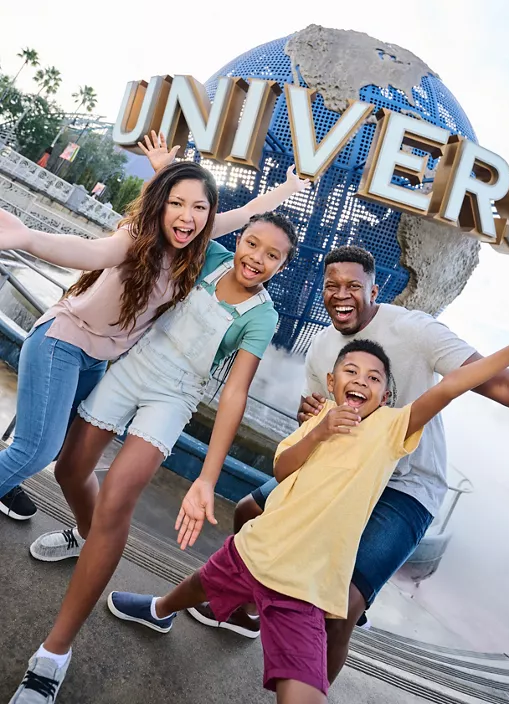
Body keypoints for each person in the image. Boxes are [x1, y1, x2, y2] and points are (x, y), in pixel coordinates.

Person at [102, 319, 509, 704]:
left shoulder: (391, 430)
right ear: (332, 382)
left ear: (386, 396)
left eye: (374, 379)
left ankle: (184, 612)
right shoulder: (316, 424)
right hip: (257, 551)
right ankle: (160, 608)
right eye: (352, 372)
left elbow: (451, 386)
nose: (361, 382)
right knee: (207, 578)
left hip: (308, 586)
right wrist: (317, 431)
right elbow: (284, 467)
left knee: (303, 688)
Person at [192, 245, 509, 679]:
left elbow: (498, 384)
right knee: (248, 511)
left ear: (376, 289)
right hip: (342, 470)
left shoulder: (415, 330)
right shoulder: (322, 347)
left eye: (354, 286)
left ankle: (318, 675)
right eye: (332, 286)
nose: (342, 295)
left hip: (404, 487)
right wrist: (312, 413)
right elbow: (319, 406)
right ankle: (250, 611)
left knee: (339, 610)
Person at [8, 209, 300, 703]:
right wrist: (169, 171)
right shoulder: (210, 255)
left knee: (118, 498)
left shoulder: (263, 315)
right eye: (253, 244)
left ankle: (53, 656)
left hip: (176, 396)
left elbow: (234, 395)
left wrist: (207, 477)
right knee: (69, 468)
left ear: (283, 265)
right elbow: (187, 212)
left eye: (273, 256)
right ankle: (84, 532)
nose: (257, 259)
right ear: (242, 240)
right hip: (133, 366)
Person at [0, 131, 308, 520]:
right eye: (176, 203)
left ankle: (7, 483)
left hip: (97, 358)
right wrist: (27, 238)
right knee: (37, 449)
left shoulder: (198, 244)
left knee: (56, 442)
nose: (188, 215)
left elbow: (249, 214)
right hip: (64, 342)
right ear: (160, 204)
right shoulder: (136, 238)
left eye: (198, 207)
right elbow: (91, 252)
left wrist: (291, 186)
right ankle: (9, 479)